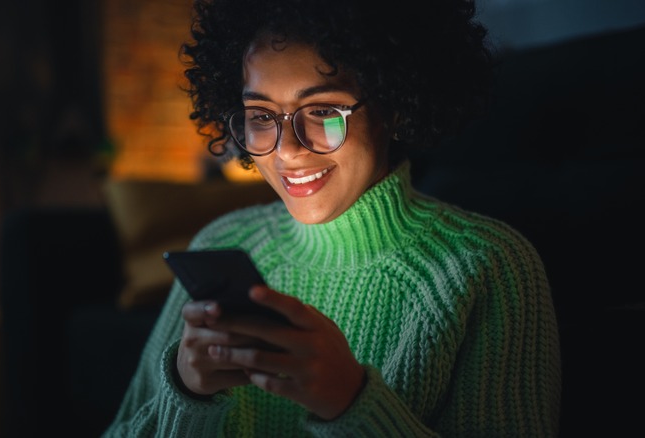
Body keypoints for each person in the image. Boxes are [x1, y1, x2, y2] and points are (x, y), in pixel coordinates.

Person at [103, 0, 562, 436]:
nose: (286, 150)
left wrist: (351, 402)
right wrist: (186, 395)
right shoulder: (221, 241)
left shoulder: (489, 267)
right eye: (260, 115)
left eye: (322, 111)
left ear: (396, 106)